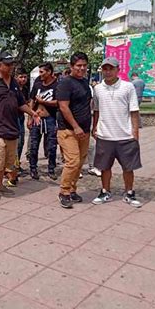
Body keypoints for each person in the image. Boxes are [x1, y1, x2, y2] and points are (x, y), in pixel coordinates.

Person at [0, 51, 40, 201]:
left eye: (12, 64)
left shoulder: (14, 83)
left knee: (8, 162)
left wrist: (33, 113)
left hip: (12, 128)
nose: (11, 67)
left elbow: (20, 103)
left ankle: (0, 185)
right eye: (8, 64)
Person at [91, 57, 142, 208]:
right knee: (104, 166)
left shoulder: (128, 87)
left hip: (125, 135)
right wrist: (94, 127)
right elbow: (96, 110)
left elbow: (134, 111)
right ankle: (105, 191)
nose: (108, 72)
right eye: (105, 69)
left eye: (111, 69)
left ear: (117, 70)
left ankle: (129, 192)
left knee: (128, 167)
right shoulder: (98, 88)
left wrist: (135, 132)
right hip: (105, 134)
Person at [56, 52, 92, 208]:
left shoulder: (85, 82)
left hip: (84, 130)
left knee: (80, 162)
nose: (82, 68)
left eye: (84, 65)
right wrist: (76, 126)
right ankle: (63, 192)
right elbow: (63, 107)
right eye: (79, 65)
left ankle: (72, 189)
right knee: (73, 161)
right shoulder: (65, 83)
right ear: (72, 66)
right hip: (68, 130)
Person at [28, 62, 58, 181]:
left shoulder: (57, 85)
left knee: (51, 145)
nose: (40, 74)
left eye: (42, 72)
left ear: (49, 72)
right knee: (34, 145)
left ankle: (51, 168)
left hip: (50, 118)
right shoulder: (38, 83)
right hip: (37, 117)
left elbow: (59, 102)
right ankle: (33, 168)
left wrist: (44, 102)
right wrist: (30, 116)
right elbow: (31, 100)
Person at [14, 68, 29, 173]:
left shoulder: (25, 89)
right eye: (21, 77)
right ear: (16, 77)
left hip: (21, 117)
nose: (23, 79)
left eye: (25, 77)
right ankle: (12, 166)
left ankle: (17, 164)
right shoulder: (12, 88)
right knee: (15, 143)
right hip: (12, 118)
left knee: (21, 142)